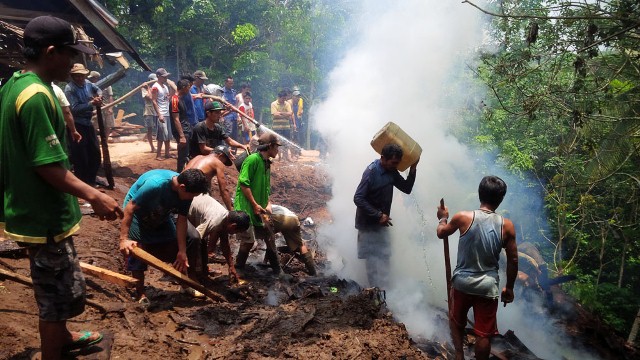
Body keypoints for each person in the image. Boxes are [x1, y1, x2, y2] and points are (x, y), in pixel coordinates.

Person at [0, 15, 123, 359]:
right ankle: (54, 351)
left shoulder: (14, 84)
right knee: (55, 300)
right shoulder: (37, 96)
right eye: (71, 55)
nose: (75, 63)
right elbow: (47, 166)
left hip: (34, 210)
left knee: (58, 289)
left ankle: (64, 338)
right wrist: (95, 195)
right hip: (44, 217)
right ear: (51, 52)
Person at [436, 176, 518, 360]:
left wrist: (442, 218)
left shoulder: (462, 217)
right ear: (501, 199)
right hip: (487, 287)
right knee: (484, 334)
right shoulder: (507, 226)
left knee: (456, 322)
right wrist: (509, 287)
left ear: (480, 193)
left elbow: (441, 233)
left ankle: (459, 355)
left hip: (462, 284)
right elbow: (513, 259)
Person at [118, 169, 209, 303]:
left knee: (175, 249)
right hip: (137, 213)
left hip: (162, 213)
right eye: (192, 195)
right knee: (137, 251)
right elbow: (130, 208)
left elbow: (182, 221)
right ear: (182, 187)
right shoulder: (155, 185)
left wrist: (182, 251)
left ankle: (185, 285)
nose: (192, 198)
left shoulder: (186, 192)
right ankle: (140, 293)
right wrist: (123, 239)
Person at [353, 143, 418, 288]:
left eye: (397, 163)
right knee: (371, 259)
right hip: (367, 224)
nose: (395, 166)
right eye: (393, 162)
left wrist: (413, 169)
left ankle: (387, 289)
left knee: (384, 255)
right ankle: (374, 292)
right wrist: (378, 215)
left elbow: (406, 188)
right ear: (383, 158)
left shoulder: (392, 172)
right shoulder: (371, 172)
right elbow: (358, 198)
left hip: (382, 223)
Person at [234, 133, 283, 275]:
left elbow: (266, 187)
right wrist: (255, 204)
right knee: (248, 242)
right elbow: (244, 184)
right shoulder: (252, 160)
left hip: (258, 208)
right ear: (269, 146)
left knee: (269, 236)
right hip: (246, 208)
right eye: (276, 147)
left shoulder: (267, 163)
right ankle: (238, 269)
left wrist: (267, 203)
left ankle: (278, 271)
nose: (278, 150)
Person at [187, 194, 250, 283]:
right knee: (197, 241)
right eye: (237, 232)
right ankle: (190, 275)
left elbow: (225, 245)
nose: (235, 234)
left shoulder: (225, 219)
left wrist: (231, 267)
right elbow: (194, 240)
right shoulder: (216, 221)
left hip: (196, 209)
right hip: (182, 211)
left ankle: (203, 271)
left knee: (202, 243)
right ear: (233, 226)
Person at [64, 63, 102, 187]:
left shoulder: (89, 84)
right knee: (80, 155)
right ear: (73, 76)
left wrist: (99, 96)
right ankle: (82, 182)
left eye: (81, 76)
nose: (80, 78)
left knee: (95, 152)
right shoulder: (70, 89)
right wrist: (92, 103)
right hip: (77, 125)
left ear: (85, 75)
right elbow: (74, 109)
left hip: (88, 123)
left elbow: (98, 89)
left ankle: (91, 179)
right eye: (77, 76)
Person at [266, 204, 317, 275]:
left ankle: (276, 271)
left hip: (279, 218)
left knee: (268, 238)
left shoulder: (260, 205)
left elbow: (267, 214)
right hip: (293, 218)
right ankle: (313, 272)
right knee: (300, 245)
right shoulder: (273, 205)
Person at [185, 145, 235, 210]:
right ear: (220, 155)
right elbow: (223, 190)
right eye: (224, 161)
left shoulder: (198, 157)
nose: (223, 163)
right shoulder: (217, 162)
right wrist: (230, 210)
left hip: (181, 190)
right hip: (194, 193)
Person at [170, 79, 192, 172]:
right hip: (182, 131)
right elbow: (176, 118)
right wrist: (182, 136)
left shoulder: (181, 98)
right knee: (183, 155)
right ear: (183, 88)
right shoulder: (174, 100)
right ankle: (179, 175)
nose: (189, 89)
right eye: (188, 87)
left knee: (187, 154)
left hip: (186, 129)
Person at [151, 68, 173, 161]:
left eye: (166, 76)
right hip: (161, 113)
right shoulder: (155, 87)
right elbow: (154, 101)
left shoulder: (165, 86)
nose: (166, 78)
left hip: (167, 112)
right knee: (161, 135)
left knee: (167, 135)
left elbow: (168, 98)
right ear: (158, 77)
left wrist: (172, 87)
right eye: (164, 77)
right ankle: (158, 155)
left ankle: (167, 153)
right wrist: (159, 114)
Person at [270, 90, 294, 161]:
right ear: (279, 97)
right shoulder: (273, 104)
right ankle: (279, 157)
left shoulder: (287, 104)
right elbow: (275, 115)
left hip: (286, 127)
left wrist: (280, 113)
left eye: (285, 98)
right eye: (283, 98)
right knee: (277, 143)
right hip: (276, 127)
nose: (284, 100)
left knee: (286, 143)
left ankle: (285, 157)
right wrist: (285, 115)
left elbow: (290, 113)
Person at [141, 73, 157, 152]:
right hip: (149, 111)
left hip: (157, 111)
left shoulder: (156, 87)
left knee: (160, 129)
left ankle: (167, 145)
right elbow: (150, 97)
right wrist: (148, 88)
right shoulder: (144, 88)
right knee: (149, 130)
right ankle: (152, 147)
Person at [221, 75, 239, 143]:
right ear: (225, 82)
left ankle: (234, 151)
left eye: (232, 83)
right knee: (228, 133)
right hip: (226, 116)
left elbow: (235, 104)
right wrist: (222, 116)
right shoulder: (221, 92)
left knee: (235, 134)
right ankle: (225, 149)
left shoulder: (234, 92)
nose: (231, 85)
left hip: (234, 116)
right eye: (230, 83)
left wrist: (237, 115)